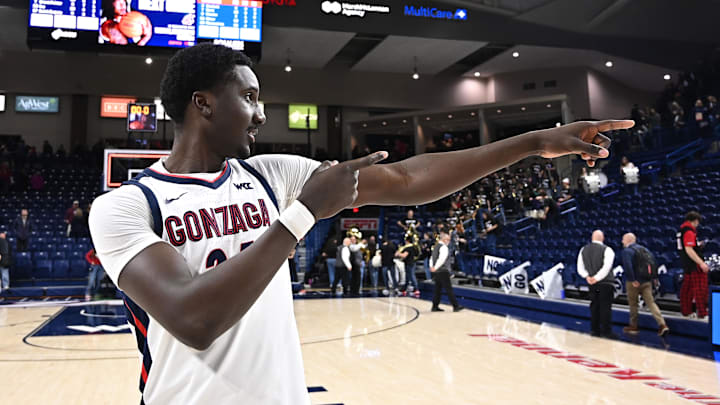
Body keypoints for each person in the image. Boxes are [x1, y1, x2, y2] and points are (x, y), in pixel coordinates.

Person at [88, 43, 630, 404]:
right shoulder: (125, 207)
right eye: (250, 97)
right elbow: (194, 319)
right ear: (202, 104)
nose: (261, 114)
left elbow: (408, 180)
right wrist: (303, 214)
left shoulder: (273, 173)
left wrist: (533, 144)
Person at [620, 233, 669, 337]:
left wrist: (632, 279)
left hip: (634, 281)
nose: (622, 242)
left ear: (628, 240)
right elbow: (653, 263)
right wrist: (654, 277)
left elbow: (628, 266)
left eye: (623, 240)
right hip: (647, 281)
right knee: (651, 303)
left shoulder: (627, 251)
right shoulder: (645, 250)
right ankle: (662, 324)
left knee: (633, 304)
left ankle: (633, 326)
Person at [577, 230, 617, 338]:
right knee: (605, 307)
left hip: (592, 284)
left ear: (592, 238)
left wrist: (587, 277)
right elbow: (606, 267)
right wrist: (597, 278)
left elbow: (580, 267)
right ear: (602, 238)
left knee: (594, 306)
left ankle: (595, 330)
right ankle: (606, 331)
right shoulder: (607, 250)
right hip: (605, 283)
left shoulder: (583, 249)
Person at [678, 211, 710, 319]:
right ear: (695, 221)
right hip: (694, 265)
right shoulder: (689, 232)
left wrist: (697, 244)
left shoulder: (681, 231)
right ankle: (703, 313)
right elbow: (689, 249)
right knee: (700, 289)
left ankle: (686, 311)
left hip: (686, 264)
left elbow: (684, 247)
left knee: (687, 289)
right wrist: (701, 263)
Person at [430, 232, 463, 312]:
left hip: (436, 271)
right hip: (443, 270)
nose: (449, 241)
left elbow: (431, 258)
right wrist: (435, 267)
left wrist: (432, 267)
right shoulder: (444, 247)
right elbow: (441, 259)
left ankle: (435, 306)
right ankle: (456, 306)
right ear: (444, 239)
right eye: (448, 239)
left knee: (438, 289)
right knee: (448, 289)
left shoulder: (436, 246)